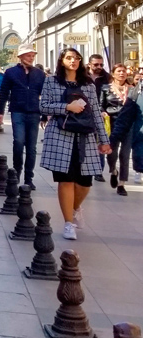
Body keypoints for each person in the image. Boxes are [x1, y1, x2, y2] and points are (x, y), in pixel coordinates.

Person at [39, 47, 112, 241]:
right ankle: (68, 223)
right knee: (66, 180)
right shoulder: (52, 81)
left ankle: (75, 207)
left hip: (84, 137)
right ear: (62, 61)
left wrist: (104, 141)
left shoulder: (87, 84)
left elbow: (95, 112)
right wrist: (66, 107)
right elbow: (43, 106)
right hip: (60, 135)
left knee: (85, 182)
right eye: (69, 58)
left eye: (77, 58)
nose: (73, 61)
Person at [0, 45, 46, 187]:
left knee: (31, 147)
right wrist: (0, 112)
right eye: (28, 55)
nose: (31, 58)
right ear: (20, 57)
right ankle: (16, 173)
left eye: (32, 56)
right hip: (18, 111)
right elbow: (4, 92)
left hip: (34, 112)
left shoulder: (39, 74)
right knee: (18, 142)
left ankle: (29, 178)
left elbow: (45, 95)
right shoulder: (11, 72)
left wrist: (44, 115)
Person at [104, 63, 139, 196]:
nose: (121, 73)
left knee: (125, 154)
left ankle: (122, 184)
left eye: (124, 71)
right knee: (111, 153)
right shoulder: (106, 89)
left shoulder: (133, 89)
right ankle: (113, 171)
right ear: (113, 74)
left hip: (129, 125)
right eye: (119, 71)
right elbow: (101, 105)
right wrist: (103, 112)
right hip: (113, 124)